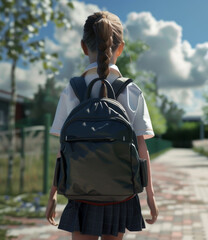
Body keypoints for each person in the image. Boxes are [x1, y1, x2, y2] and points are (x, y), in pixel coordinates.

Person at [45, 11, 159, 240]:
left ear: (83, 47)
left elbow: (62, 148)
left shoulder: (73, 89)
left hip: (80, 191)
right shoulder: (131, 90)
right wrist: (150, 195)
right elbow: (141, 149)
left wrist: (53, 193)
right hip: (120, 193)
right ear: (121, 47)